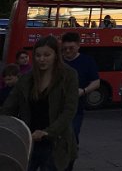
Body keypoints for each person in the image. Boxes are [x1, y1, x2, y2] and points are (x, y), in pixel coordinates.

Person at [1, 35, 79, 171]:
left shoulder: (69, 75)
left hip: (56, 142)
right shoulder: (26, 79)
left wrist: (47, 132)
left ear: (56, 55)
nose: (42, 59)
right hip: (29, 141)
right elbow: (9, 107)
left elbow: (69, 110)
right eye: (38, 55)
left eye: (47, 55)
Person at [61, 32, 100, 170]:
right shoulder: (58, 60)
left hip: (76, 109)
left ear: (78, 46)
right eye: (64, 48)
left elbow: (96, 82)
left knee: (72, 137)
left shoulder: (87, 61)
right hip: (56, 107)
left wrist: (83, 91)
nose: (67, 51)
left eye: (71, 48)